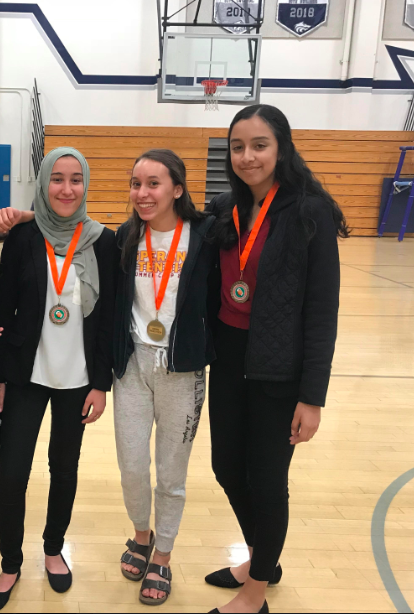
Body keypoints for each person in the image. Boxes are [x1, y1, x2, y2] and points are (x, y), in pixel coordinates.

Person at [205, 105, 347, 614]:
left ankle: (256, 590)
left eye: (259, 145)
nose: (247, 157)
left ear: (282, 148)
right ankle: (266, 557)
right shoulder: (224, 209)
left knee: (267, 481)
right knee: (226, 468)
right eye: (238, 147)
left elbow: (321, 311)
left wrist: (313, 397)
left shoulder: (310, 212)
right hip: (227, 360)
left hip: (279, 369)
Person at [0, 147, 116, 612]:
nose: (65, 189)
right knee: (13, 473)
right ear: (42, 184)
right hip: (26, 375)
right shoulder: (23, 236)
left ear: (85, 185)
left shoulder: (103, 241)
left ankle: (54, 548)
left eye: (75, 179)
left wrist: (102, 384)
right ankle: (10, 562)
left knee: (64, 468)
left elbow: (110, 320)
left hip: (78, 380)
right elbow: (3, 308)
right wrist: (0, 374)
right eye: (56, 179)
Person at [113, 149, 217, 606]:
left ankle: (164, 556)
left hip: (184, 370)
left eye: (154, 183)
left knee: (171, 475)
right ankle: (141, 535)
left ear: (178, 188)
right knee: (133, 466)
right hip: (133, 367)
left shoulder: (206, 236)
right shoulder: (123, 237)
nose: (143, 193)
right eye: (136, 183)